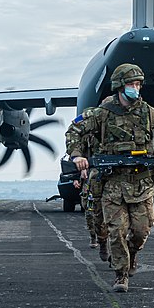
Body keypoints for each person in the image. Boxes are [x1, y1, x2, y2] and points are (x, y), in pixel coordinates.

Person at [69, 63, 154, 293]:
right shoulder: (102, 114)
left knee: (141, 230)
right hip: (113, 184)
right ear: (120, 86)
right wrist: (77, 155)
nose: (135, 88)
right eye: (131, 84)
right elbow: (75, 129)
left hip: (142, 183)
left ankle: (132, 255)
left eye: (138, 84)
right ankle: (121, 275)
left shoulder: (149, 113)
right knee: (117, 232)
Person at [65, 108, 108, 261]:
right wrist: (77, 176)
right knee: (92, 211)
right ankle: (97, 238)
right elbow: (75, 157)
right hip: (90, 179)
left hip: (113, 177)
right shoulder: (84, 139)